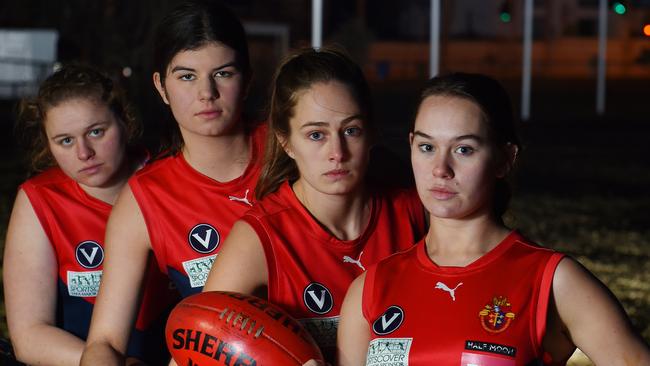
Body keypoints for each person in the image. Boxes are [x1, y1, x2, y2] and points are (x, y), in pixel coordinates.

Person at [336, 73, 650, 365]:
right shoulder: (371, 288)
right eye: (427, 146)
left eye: (464, 149)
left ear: (504, 159)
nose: (440, 169)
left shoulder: (552, 280)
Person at [202, 47, 427, 363]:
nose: (338, 151)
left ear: (371, 133)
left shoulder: (413, 212)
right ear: (286, 141)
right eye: (316, 135)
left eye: (351, 130)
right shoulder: (260, 237)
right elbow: (198, 349)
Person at [81, 0, 266, 364]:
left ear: (247, 79)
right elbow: (104, 342)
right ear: (161, 87)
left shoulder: (295, 150)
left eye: (223, 73)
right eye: (186, 76)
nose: (206, 93)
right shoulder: (146, 198)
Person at [3, 64, 176, 366]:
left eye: (96, 132)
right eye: (66, 140)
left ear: (124, 120)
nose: (84, 153)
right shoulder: (41, 199)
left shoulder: (170, 178)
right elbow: (29, 335)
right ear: (48, 144)